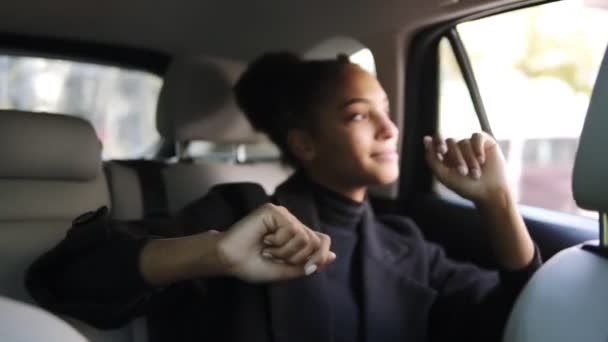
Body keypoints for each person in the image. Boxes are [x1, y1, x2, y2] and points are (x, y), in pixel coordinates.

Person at [26, 52, 540, 342]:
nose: (390, 128)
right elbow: (62, 277)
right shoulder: (238, 213)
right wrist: (213, 253)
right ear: (304, 144)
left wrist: (496, 202)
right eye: (359, 115)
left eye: (386, 110)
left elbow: (517, 320)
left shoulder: (403, 243)